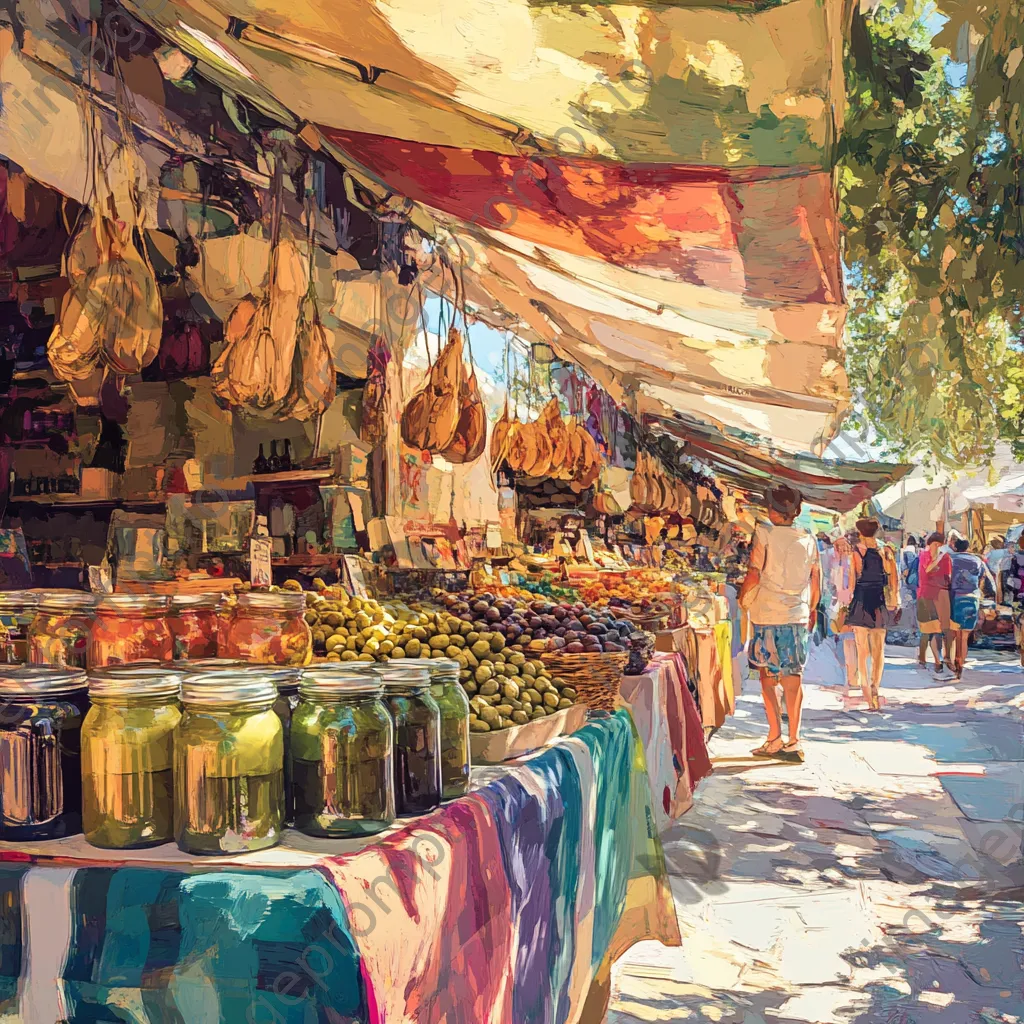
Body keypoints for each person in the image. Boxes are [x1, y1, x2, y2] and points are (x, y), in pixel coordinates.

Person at [739, 484, 821, 762]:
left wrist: (743, 600)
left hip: (767, 614)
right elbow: (815, 581)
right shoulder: (809, 538)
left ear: (772, 510)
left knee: (767, 677)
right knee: (793, 678)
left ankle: (774, 737)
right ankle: (794, 740)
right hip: (796, 615)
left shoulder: (763, 533)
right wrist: (810, 609)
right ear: (796, 512)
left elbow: (754, 573)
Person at [847, 519, 900, 709]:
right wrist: (894, 600)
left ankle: (867, 694)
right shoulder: (886, 551)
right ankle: (875, 687)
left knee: (862, 651)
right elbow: (893, 580)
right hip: (879, 600)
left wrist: (845, 604)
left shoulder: (857, 552)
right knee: (878, 651)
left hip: (861, 600)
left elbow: (852, 581)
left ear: (860, 532)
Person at [948, 537, 996, 679]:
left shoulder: (949, 559)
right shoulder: (977, 560)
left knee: (954, 634)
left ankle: (953, 662)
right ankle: (960, 664)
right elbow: (988, 582)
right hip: (972, 598)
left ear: (955, 547)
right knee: (964, 636)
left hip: (954, 598)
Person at [917, 531, 953, 674]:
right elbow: (927, 570)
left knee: (941, 629)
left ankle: (941, 659)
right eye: (935, 544)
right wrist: (938, 559)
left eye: (939, 544)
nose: (936, 547)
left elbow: (948, 576)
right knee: (929, 628)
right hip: (926, 594)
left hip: (940, 594)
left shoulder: (945, 557)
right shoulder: (925, 556)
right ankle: (932, 660)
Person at [1004, 535, 1024, 666]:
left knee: (1018, 623)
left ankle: (1021, 648)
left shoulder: (1015, 558)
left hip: (1019, 596)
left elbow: (1011, 579)